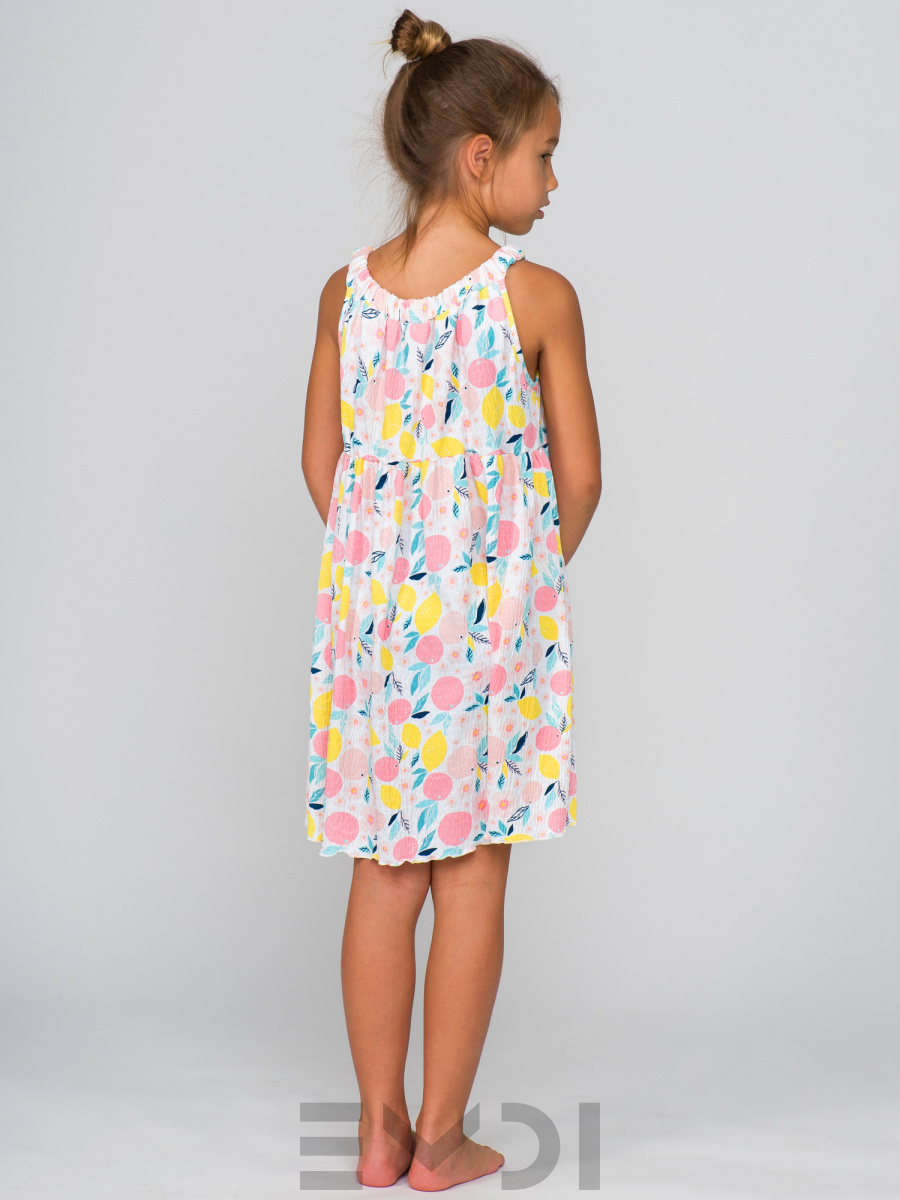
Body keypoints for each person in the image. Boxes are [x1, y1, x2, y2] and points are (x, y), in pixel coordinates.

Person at [301, 8, 601, 1190]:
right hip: (486, 634)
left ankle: (376, 1140)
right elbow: (581, 477)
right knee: (472, 871)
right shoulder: (537, 299)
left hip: (375, 629)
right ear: (482, 157)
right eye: (544, 155)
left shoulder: (346, 295)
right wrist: (510, 579)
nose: (553, 182)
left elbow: (322, 462)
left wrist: (382, 572)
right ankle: (440, 1141)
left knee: (385, 875)